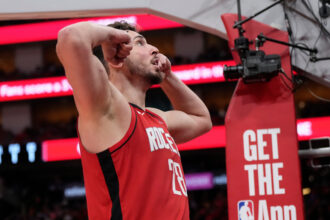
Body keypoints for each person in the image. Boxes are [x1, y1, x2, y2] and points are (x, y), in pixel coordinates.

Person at [56, 20, 212, 220]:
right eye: (139, 43)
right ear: (115, 56)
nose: (155, 49)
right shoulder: (106, 108)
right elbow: (70, 38)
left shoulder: (156, 117)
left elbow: (201, 119)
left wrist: (168, 76)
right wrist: (110, 35)